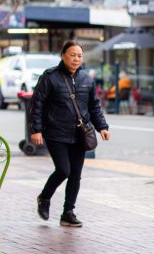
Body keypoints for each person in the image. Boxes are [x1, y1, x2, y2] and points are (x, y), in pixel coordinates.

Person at [30, 40, 111, 227]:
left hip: (79, 134)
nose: (76, 59)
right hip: (55, 132)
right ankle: (44, 198)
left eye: (79, 56)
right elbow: (37, 104)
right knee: (63, 170)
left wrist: (102, 127)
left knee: (75, 174)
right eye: (72, 55)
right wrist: (36, 130)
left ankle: (68, 212)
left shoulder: (86, 79)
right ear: (63, 56)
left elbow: (94, 106)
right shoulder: (50, 77)